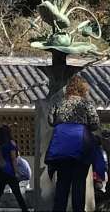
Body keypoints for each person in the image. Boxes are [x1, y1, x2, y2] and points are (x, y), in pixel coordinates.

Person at [47, 74, 100, 212]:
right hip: (80, 147)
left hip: (62, 148)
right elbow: (95, 124)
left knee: (62, 184)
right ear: (83, 89)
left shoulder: (59, 103)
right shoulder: (87, 103)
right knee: (79, 185)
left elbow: (51, 121)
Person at [0, 125, 28, 212]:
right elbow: (13, 159)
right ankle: (24, 209)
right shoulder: (10, 144)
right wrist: (16, 172)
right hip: (9, 171)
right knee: (17, 193)